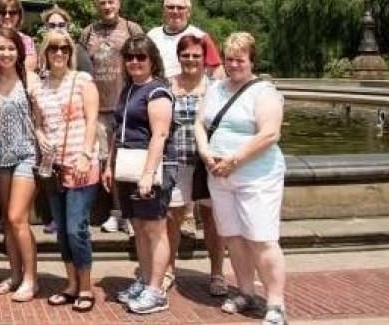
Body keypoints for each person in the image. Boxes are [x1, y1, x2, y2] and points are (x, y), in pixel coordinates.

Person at [195, 32, 287, 325]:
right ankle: (245, 291)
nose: (233, 64)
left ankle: (276, 303)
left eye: (240, 59)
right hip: (219, 175)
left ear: (252, 61)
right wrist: (206, 153)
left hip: (255, 175)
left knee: (261, 238)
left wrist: (234, 160)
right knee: (233, 237)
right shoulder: (216, 88)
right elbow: (199, 123)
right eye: (229, 59)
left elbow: (270, 133)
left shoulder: (264, 92)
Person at [106, 34, 176, 315]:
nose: (134, 62)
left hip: (149, 166)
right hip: (127, 164)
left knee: (155, 229)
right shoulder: (128, 89)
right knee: (139, 227)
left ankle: (156, 290)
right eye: (130, 57)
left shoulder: (157, 91)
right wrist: (109, 165)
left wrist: (148, 175)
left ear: (152, 60)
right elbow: (117, 131)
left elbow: (159, 135)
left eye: (141, 57)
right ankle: (145, 280)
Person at [36, 30, 100, 313]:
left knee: (77, 228)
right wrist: (39, 136)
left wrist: (86, 155)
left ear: (70, 52)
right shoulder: (40, 86)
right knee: (62, 230)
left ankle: (86, 286)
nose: (59, 53)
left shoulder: (82, 80)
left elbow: (92, 119)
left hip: (80, 164)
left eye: (64, 48)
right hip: (54, 167)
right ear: (45, 53)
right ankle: (71, 284)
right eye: (53, 48)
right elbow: (38, 122)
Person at [79, 0, 144, 235]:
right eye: (102, 3)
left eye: (111, 2)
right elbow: (83, 67)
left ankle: (131, 213)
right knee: (106, 160)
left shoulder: (131, 29)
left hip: (127, 104)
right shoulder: (88, 33)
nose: (107, 7)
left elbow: (145, 59)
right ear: (96, 6)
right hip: (98, 107)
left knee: (128, 158)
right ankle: (116, 212)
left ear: (119, 3)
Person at [167, 34, 226, 297]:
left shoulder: (217, 88)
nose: (191, 60)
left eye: (196, 56)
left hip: (207, 164)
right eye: (186, 55)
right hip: (176, 161)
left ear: (205, 59)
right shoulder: (167, 85)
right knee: (172, 218)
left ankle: (217, 273)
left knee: (212, 220)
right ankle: (168, 270)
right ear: (178, 57)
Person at [0, 28, 42, 302]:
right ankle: (15, 274)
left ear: (19, 51)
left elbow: (42, 117)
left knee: (17, 217)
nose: (6, 53)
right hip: (0, 157)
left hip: (26, 154)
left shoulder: (29, 79)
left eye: (11, 48)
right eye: (1, 49)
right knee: (7, 222)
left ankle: (31, 279)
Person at [147, 0, 223, 79]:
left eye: (180, 8)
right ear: (164, 11)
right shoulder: (152, 35)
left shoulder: (200, 37)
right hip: (157, 89)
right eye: (170, 7)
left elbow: (216, 69)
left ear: (189, 12)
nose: (175, 11)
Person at [0, 0, 37, 73]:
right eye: (2, 12)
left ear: (19, 15)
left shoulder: (27, 41)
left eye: (12, 13)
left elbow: (28, 68)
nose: (7, 16)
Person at [40, 5, 92, 74]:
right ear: (46, 28)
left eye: (61, 25)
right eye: (52, 25)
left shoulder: (79, 52)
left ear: (67, 27)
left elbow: (87, 77)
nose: (57, 29)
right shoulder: (38, 51)